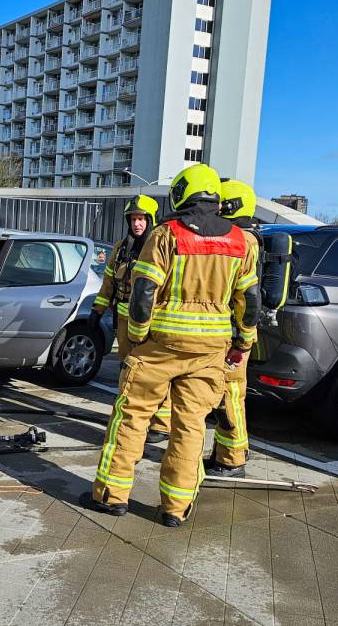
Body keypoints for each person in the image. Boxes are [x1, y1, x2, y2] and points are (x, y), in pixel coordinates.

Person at [83, 164, 260, 527]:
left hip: (160, 346)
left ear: (182, 193)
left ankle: (111, 496)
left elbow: (144, 292)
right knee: (191, 426)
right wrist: (243, 342)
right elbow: (250, 301)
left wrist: (137, 334)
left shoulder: (166, 235)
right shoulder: (245, 242)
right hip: (210, 351)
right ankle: (175, 509)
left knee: (131, 417)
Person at [89, 195, 171, 443]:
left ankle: (161, 424)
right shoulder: (121, 248)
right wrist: (97, 311)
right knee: (127, 370)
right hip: (124, 321)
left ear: (150, 220)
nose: (137, 224)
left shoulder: (159, 248)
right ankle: (130, 418)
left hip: (151, 321)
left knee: (154, 373)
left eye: (141, 219)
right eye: (133, 219)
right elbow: (109, 282)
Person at [205, 178, 261, 478]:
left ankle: (233, 460)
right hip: (233, 332)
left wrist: (242, 341)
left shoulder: (244, 241)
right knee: (225, 395)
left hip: (236, 335)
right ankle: (223, 454)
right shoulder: (245, 238)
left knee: (230, 395)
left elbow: (246, 297)